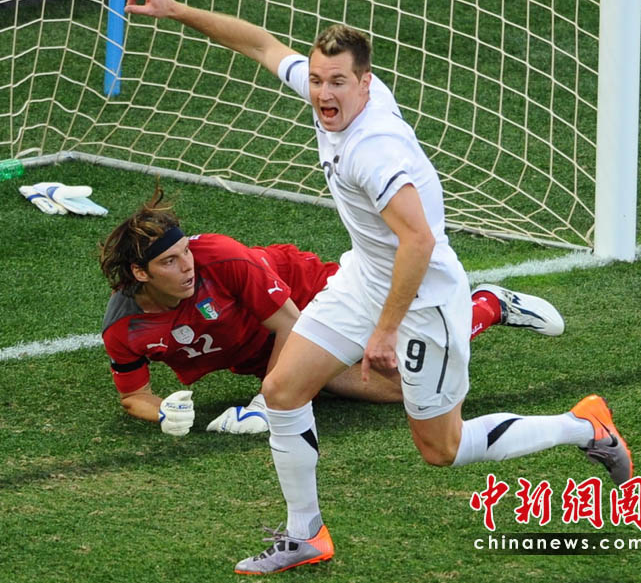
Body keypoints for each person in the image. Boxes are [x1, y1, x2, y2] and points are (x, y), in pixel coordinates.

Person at [125, 0, 633, 575]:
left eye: (337, 82)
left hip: (423, 297)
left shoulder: (373, 151)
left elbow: (418, 240)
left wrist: (386, 332)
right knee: (282, 390)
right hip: (364, 277)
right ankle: (305, 534)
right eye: (317, 80)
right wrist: (176, 10)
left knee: (442, 448)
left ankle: (582, 425)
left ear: (365, 83)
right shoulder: (330, 99)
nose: (323, 94)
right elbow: (260, 45)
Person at [99, 186, 564, 436]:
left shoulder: (221, 257)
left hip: (313, 298)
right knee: (402, 389)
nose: (187, 265)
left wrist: (266, 404)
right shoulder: (124, 327)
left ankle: (488, 305)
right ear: (140, 274)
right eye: (170, 261)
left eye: (185, 251)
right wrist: (162, 414)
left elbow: (290, 322)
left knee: (414, 358)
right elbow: (134, 395)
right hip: (270, 350)